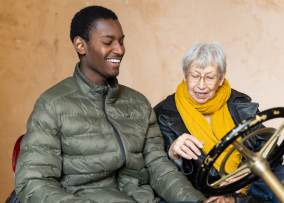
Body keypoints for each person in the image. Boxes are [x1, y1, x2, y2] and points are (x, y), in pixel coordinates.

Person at [14, 6, 207, 203]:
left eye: (121, 42)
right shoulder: (52, 104)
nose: (120, 50)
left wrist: (196, 201)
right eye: (108, 42)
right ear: (80, 45)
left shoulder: (138, 103)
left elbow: (159, 167)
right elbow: (33, 182)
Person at [154, 42, 283, 203]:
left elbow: (271, 150)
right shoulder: (163, 114)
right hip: (202, 194)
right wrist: (174, 155)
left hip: (245, 190)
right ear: (185, 74)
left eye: (209, 77)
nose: (201, 86)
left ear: (221, 78)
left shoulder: (239, 103)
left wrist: (248, 173)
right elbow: (160, 172)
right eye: (194, 76)